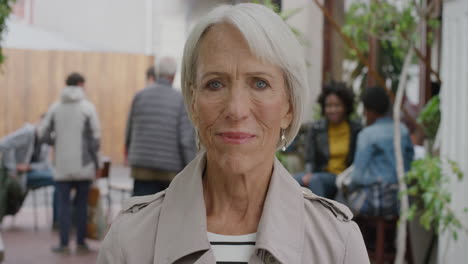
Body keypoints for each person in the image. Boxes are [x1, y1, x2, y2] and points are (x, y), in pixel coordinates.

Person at [98, 4, 369, 263]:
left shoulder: (337, 243)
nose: (236, 110)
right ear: (193, 102)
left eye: (260, 83)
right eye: (215, 84)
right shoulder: (130, 240)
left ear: (289, 106)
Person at [39, 72, 100, 254]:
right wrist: (96, 164)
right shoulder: (88, 108)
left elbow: (43, 134)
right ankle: (81, 243)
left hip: (62, 166)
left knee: (63, 204)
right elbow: (95, 139)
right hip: (84, 165)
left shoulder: (55, 108)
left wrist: (56, 142)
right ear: (81, 84)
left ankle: (64, 244)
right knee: (81, 205)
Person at [125, 58, 196, 196]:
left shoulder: (139, 96)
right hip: (170, 171)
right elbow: (185, 139)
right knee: (168, 214)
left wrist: (128, 153)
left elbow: (129, 129)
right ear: (174, 75)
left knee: (141, 213)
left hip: (142, 168)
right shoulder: (180, 99)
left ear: (157, 73)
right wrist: (190, 168)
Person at [346, 86, 414, 217]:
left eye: (365, 110)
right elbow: (410, 162)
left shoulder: (367, 134)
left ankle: (354, 236)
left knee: (342, 199)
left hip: (378, 202)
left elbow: (357, 177)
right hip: (403, 202)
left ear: (370, 111)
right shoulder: (403, 130)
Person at [295, 83, 362, 199]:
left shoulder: (356, 130)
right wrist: (308, 173)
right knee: (290, 180)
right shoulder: (316, 128)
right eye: (328, 106)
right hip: (320, 173)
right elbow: (309, 158)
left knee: (315, 180)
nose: (332, 110)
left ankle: (319, 215)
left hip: (342, 177)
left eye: (337, 105)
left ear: (346, 107)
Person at [0, 121, 56, 222]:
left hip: (32, 173)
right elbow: (3, 144)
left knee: (59, 178)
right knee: (57, 177)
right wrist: (12, 167)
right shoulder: (27, 133)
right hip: (18, 175)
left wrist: (29, 167)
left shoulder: (46, 141)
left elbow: (45, 164)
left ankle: (58, 221)